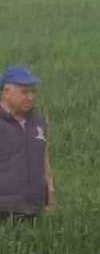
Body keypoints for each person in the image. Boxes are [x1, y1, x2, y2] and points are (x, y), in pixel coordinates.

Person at [0, 65, 55, 221]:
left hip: (33, 209)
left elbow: (45, 161)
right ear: (6, 93)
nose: (30, 97)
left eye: (33, 91)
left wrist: (50, 197)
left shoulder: (40, 122)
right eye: (24, 92)